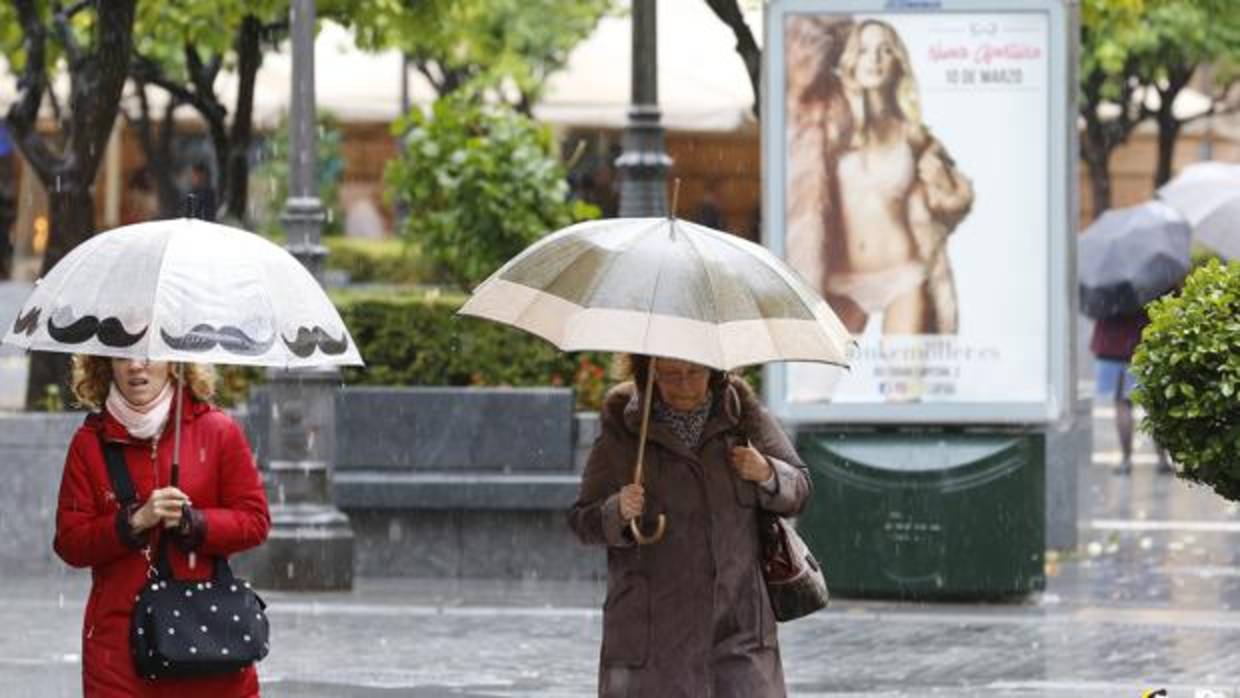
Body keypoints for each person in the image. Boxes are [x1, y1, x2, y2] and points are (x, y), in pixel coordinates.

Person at [569, 355, 810, 697]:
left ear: (712, 369)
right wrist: (616, 511)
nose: (683, 386)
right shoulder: (623, 419)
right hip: (652, 637)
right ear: (649, 370)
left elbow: (800, 490)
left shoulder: (740, 409)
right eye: (670, 375)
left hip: (737, 630)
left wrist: (767, 473)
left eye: (693, 373)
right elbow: (582, 520)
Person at [54, 356, 271, 696]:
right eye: (123, 355)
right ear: (106, 364)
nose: (135, 366)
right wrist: (134, 521)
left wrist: (193, 522)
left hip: (208, 640)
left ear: (174, 362)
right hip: (118, 649)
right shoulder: (89, 443)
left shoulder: (218, 430)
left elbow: (255, 521)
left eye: (149, 354)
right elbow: (70, 542)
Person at [785, 18, 974, 335]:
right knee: (818, 380)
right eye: (863, 50)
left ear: (898, 63)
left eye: (885, 50)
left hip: (904, 274)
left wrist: (941, 184)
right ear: (851, 60)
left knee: (905, 382)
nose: (874, 58)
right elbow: (802, 71)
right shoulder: (829, 126)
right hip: (840, 279)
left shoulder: (914, 134)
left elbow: (952, 203)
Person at [1091, 312, 1173, 475]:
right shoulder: (1150, 287)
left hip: (1111, 344)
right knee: (1153, 405)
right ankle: (1162, 459)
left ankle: (1126, 459)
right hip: (1144, 344)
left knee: (1122, 404)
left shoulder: (1108, 288)